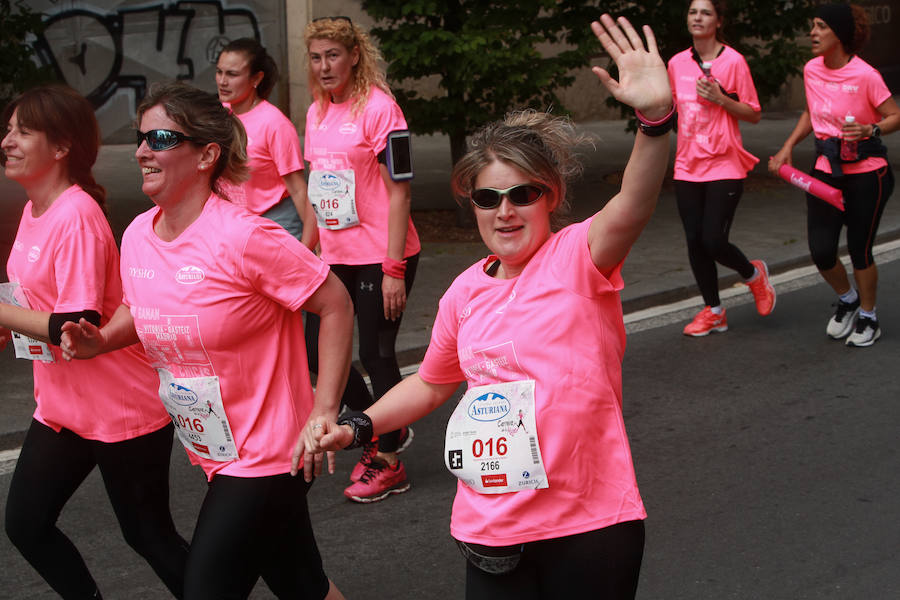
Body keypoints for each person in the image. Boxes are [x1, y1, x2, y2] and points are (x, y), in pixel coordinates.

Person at [313, 14, 672, 599]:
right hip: (492, 522)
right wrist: (357, 426)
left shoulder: (577, 257)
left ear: (549, 197)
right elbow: (431, 385)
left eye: (521, 195)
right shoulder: (465, 289)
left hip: (588, 520)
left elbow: (633, 203)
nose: (504, 211)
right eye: (487, 198)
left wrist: (654, 121)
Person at [60, 81, 352, 599]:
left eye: (162, 139)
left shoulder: (245, 237)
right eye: (141, 137)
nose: (143, 150)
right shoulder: (138, 235)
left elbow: (334, 302)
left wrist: (324, 410)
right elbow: (143, 305)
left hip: (271, 453)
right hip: (215, 448)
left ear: (206, 155)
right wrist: (100, 341)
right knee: (301, 584)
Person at [0, 84, 188, 598]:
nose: (8, 140)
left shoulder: (76, 213)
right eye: (9, 130)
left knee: (150, 537)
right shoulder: (36, 210)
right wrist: (9, 323)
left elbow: (73, 323)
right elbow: (36, 303)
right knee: (26, 523)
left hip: (120, 409)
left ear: (61, 148)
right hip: (63, 407)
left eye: (24, 131)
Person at [303, 16, 419, 503]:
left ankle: (389, 461)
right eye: (315, 57)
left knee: (376, 354)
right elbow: (317, 192)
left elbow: (400, 194)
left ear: (353, 56)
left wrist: (393, 269)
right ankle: (381, 424)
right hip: (336, 256)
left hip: (381, 255)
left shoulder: (381, 110)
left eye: (333, 55)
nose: (324, 66)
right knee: (314, 347)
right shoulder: (315, 112)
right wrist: (302, 252)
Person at [770, 3, 899, 347]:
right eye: (812, 26)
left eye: (820, 26)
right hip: (826, 172)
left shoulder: (866, 75)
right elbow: (812, 113)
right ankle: (848, 298)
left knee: (860, 250)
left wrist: (870, 130)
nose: (812, 33)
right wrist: (786, 147)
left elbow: (893, 116)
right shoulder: (812, 69)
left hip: (867, 175)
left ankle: (869, 317)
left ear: (839, 34)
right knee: (822, 250)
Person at [668, 0, 775, 337]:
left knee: (713, 239)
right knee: (694, 241)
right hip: (687, 164)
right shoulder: (676, 63)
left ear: (718, 21)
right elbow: (673, 110)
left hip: (725, 162)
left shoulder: (734, 62)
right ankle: (715, 311)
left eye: (706, 13)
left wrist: (720, 99)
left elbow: (754, 113)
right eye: (692, 12)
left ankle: (754, 275)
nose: (698, 18)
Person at [215, 37, 318, 249]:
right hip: (234, 225)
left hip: (276, 225)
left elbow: (299, 190)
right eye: (219, 72)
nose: (222, 81)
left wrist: (309, 248)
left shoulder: (275, 124)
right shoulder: (219, 114)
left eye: (232, 74)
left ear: (256, 79)